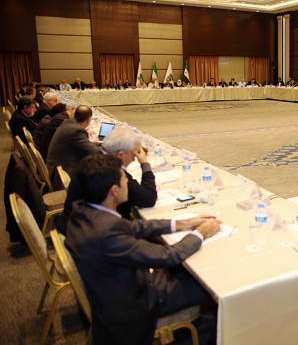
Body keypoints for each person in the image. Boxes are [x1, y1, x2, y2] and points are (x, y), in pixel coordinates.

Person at [65, 153, 220, 344]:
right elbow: (168, 255)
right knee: (216, 286)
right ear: (114, 191)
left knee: (190, 268)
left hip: (116, 285)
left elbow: (136, 227)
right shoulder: (107, 231)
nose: (128, 183)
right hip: (137, 300)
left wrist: (184, 223)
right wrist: (201, 233)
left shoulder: (84, 211)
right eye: (125, 179)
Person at [58, 127, 158, 233]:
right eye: (134, 156)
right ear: (121, 154)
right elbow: (149, 198)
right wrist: (144, 163)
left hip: (74, 225)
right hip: (92, 234)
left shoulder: (91, 160)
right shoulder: (113, 173)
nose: (134, 160)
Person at [46, 105, 101, 180]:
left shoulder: (67, 122)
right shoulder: (76, 130)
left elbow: (84, 144)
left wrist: (97, 144)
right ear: (88, 120)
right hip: (59, 175)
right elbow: (95, 151)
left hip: (54, 166)